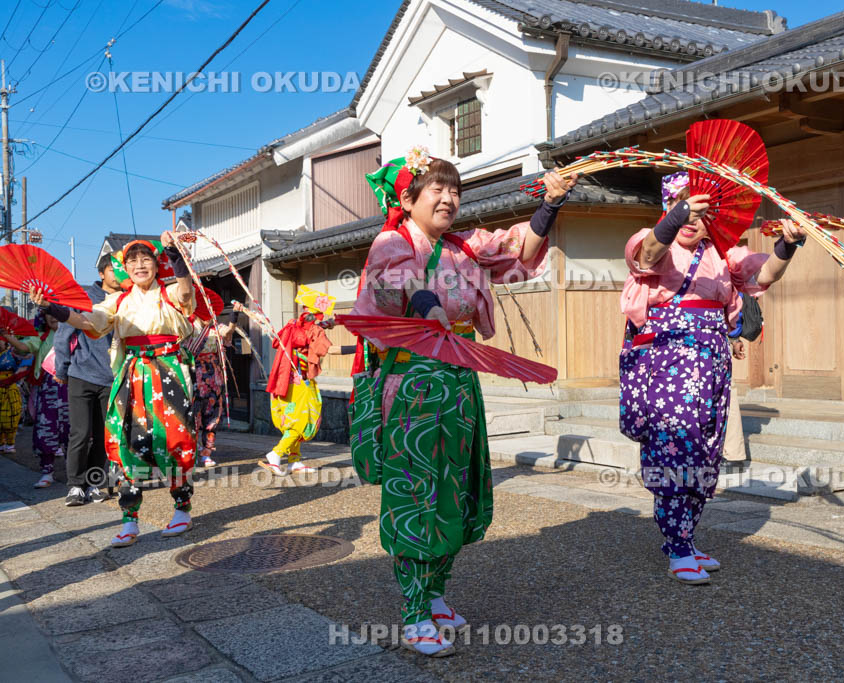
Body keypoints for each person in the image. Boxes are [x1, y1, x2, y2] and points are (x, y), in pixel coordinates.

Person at [350, 147, 576, 656]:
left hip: (457, 377)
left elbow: (518, 253)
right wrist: (425, 302)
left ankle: (434, 593)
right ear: (407, 199)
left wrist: (550, 206)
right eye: (438, 188)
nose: (449, 197)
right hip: (412, 382)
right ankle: (412, 613)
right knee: (416, 492)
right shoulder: (391, 241)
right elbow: (393, 289)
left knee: (456, 488)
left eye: (455, 189)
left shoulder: (466, 246)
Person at [619, 170, 804, 585]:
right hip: (668, 367)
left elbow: (764, 275)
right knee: (675, 449)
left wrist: (787, 244)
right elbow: (646, 256)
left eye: (701, 212)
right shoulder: (653, 241)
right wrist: (680, 211)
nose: (691, 219)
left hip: (713, 364)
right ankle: (678, 545)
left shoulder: (724, 253)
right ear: (668, 208)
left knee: (706, 450)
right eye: (683, 207)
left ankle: (684, 536)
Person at [32, 234, 196, 548]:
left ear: (157, 264)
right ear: (124, 268)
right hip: (132, 373)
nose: (140, 265)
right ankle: (129, 519)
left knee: (174, 439)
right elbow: (86, 320)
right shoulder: (118, 300)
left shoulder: (172, 290)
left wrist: (175, 253)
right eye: (132, 260)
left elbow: (187, 292)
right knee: (126, 443)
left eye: (146, 259)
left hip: (168, 370)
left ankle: (182, 508)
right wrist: (52, 306)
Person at [55, 254, 120, 506]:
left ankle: (94, 483)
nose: (118, 274)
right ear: (102, 273)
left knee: (104, 435)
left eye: (120, 269)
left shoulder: (126, 299)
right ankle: (74, 486)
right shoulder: (83, 297)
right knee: (80, 433)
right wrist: (62, 369)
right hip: (81, 374)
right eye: (112, 269)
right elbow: (63, 335)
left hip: (112, 377)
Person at [255, 291, 334, 476]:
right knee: (300, 422)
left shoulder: (294, 326)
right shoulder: (315, 331)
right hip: (301, 384)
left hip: (286, 380)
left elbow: (307, 331)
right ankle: (276, 454)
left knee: (293, 419)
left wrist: (328, 324)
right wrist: (355, 348)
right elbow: (326, 348)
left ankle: (294, 461)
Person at [2, 313, 70, 488]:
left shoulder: (76, 333)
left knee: (74, 431)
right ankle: (47, 472)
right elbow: (24, 347)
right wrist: (8, 337)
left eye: (57, 312)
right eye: (49, 313)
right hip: (48, 387)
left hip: (72, 387)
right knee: (45, 430)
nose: (53, 317)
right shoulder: (42, 336)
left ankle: (74, 473)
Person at [188, 309, 238, 467]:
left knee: (213, 415)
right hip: (194, 372)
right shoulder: (188, 325)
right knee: (193, 415)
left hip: (214, 375)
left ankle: (206, 452)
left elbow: (228, 332)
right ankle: (192, 452)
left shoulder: (216, 327)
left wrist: (234, 317)